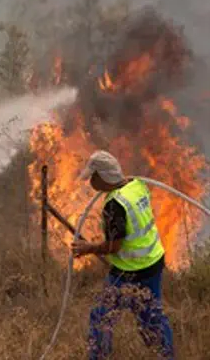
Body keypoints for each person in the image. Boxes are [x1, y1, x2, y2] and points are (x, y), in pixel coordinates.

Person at [71, 150, 175, 360]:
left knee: (102, 317)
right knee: (152, 317)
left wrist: (87, 248)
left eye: (93, 176)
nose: (90, 181)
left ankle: (99, 356)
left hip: (129, 271)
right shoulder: (136, 185)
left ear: (102, 177)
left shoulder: (114, 205)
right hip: (153, 262)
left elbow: (115, 246)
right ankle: (166, 355)